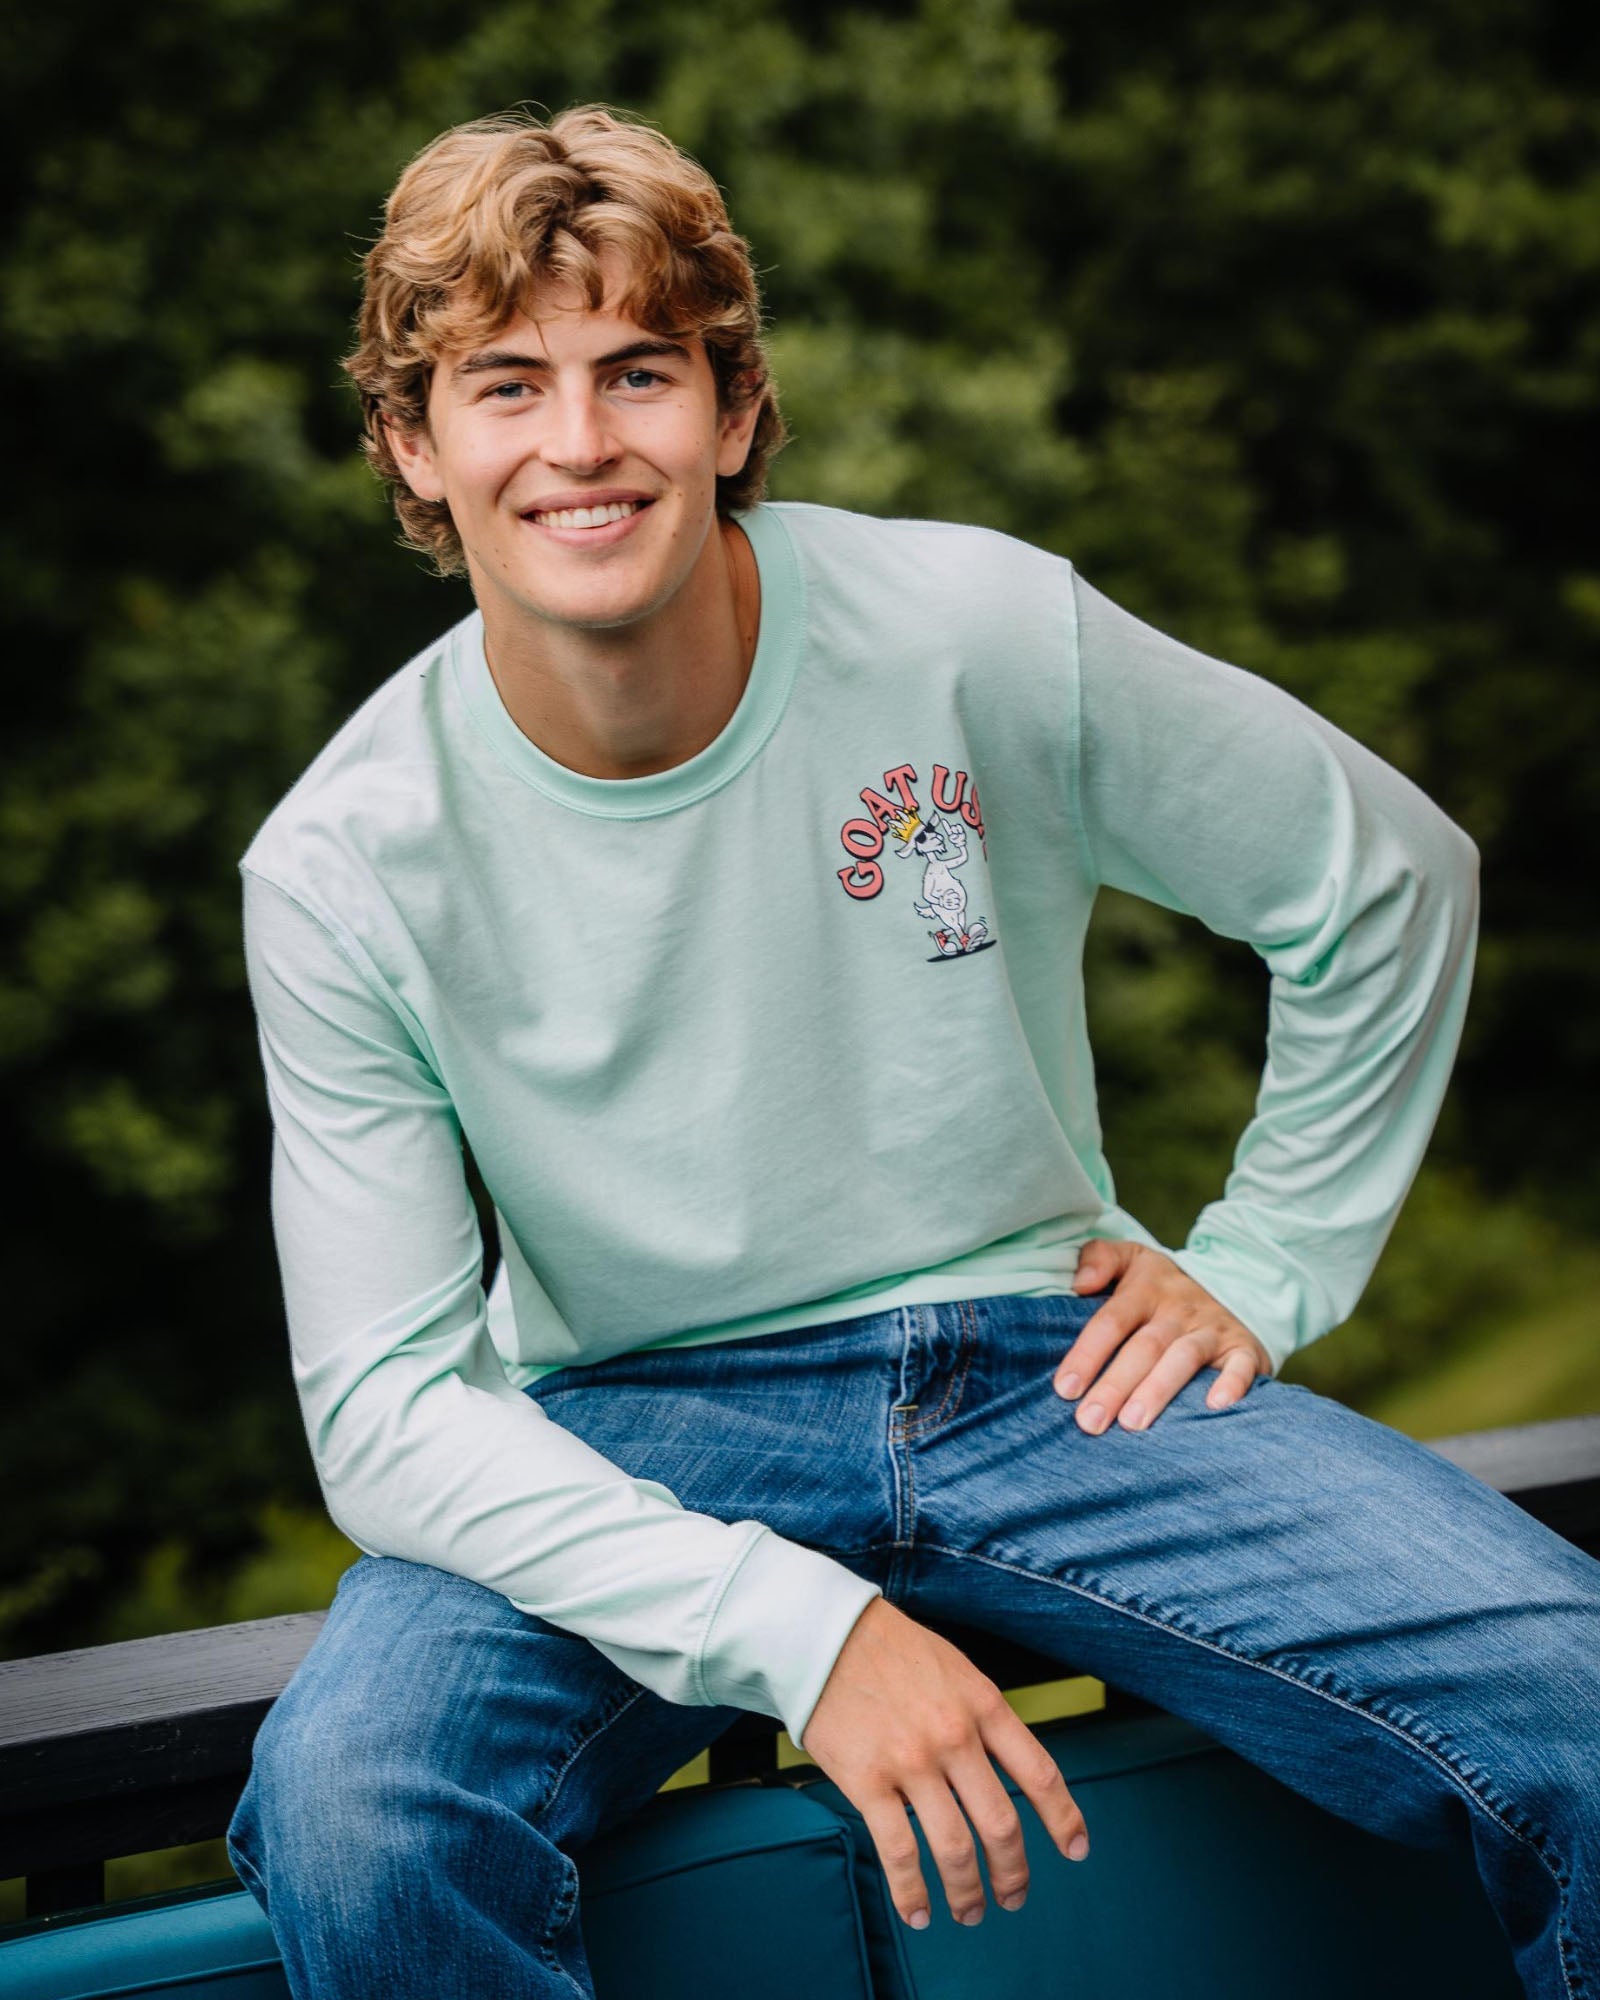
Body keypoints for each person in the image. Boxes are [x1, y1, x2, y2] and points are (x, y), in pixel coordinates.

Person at [225, 102, 1599, 2000]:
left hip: (1054, 1371)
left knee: (1579, 1699)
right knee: (360, 1817)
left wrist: (1268, 1260)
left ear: (735, 407)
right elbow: (383, 1411)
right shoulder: (342, 861)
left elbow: (1385, 879)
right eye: (503, 386)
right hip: (634, 1424)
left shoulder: (971, 627)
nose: (580, 443)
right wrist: (797, 1630)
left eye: (640, 370)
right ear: (413, 443)